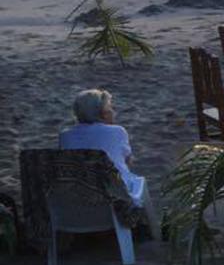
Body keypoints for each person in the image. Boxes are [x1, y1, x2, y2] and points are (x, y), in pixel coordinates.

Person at [59, 89, 160, 228]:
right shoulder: (117, 131)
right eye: (110, 108)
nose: (113, 112)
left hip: (76, 199)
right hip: (113, 199)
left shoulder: (65, 135)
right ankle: (150, 228)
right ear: (102, 114)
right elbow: (127, 161)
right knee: (132, 177)